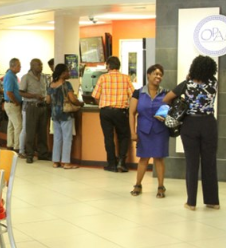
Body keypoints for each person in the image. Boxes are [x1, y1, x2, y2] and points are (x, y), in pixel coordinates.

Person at [163, 55, 219, 211]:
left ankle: (191, 203)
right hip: (208, 124)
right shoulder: (213, 83)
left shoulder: (186, 85)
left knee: (192, 164)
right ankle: (212, 201)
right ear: (210, 69)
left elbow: (166, 99)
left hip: (190, 124)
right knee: (210, 163)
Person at [129, 64, 169, 198]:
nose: (158, 77)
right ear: (148, 75)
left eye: (160, 75)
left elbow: (169, 111)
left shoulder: (165, 93)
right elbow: (132, 113)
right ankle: (138, 185)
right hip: (143, 131)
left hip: (160, 131)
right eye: (156, 74)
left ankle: (161, 187)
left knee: (159, 158)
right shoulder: (138, 93)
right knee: (143, 159)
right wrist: (133, 132)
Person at [92, 56, 134, 173]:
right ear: (118, 66)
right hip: (121, 111)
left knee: (108, 137)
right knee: (124, 136)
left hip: (106, 111)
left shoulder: (103, 78)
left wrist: (102, 104)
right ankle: (121, 163)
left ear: (108, 66)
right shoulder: (126, 78)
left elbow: (95, 96)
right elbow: (133, 96)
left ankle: (111, 163)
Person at [47, 64, 84, 169]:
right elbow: (72, 99)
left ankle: (55, 161)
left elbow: (48, 100)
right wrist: (80, 104)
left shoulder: (51, 84)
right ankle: (65, 162)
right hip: (65, 114)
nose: (69, 73)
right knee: (67, 138)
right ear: (63, 73)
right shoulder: (66, 85)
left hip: (55, 114)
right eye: (67, 71)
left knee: (57, 138)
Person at [19, 58, 51, 163]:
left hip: (43, 106)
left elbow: (47, 90)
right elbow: (21, 92)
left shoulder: (44, 77)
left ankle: (43, 154)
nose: (40, 67)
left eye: (41, 65)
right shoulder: (26, 77)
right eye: (38, 65)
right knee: (31, 132)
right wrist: (34, 96)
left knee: (42, 132)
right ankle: (29, 155)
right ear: (32, 66)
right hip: (31, 106)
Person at [3, 58, 22, 153]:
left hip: (11, 104)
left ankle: (10, 144)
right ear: (12, 66)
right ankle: (17, 147)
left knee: (11, 126)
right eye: (18, 65)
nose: (20, 67)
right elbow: (9, 92)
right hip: (12, 104)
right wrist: (16, 102)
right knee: (18, 125)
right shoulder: (10, 76)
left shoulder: (13, 76)